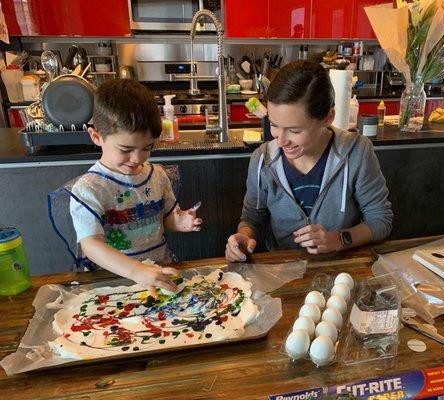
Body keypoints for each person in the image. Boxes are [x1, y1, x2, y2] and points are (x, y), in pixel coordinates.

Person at [225, 60, 392, 262]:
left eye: (295, 130)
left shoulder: (356, 152)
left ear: (328, 118)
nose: (280, 140)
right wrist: (244, 236)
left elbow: (380, 220)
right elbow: (253, 217)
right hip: (283, 270)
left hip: (340, 267)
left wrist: (338, 239)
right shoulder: (263, 159)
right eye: (274, 125)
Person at [69, 79, 202, 296]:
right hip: (113, 284)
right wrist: (137, 271)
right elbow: (91, 244)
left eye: (147, 148)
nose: (136, 158)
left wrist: (180, 221)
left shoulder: (156, 175)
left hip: (158, 274)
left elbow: (166, 218)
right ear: (96, 137)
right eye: (125, 149)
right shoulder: (89, 189)